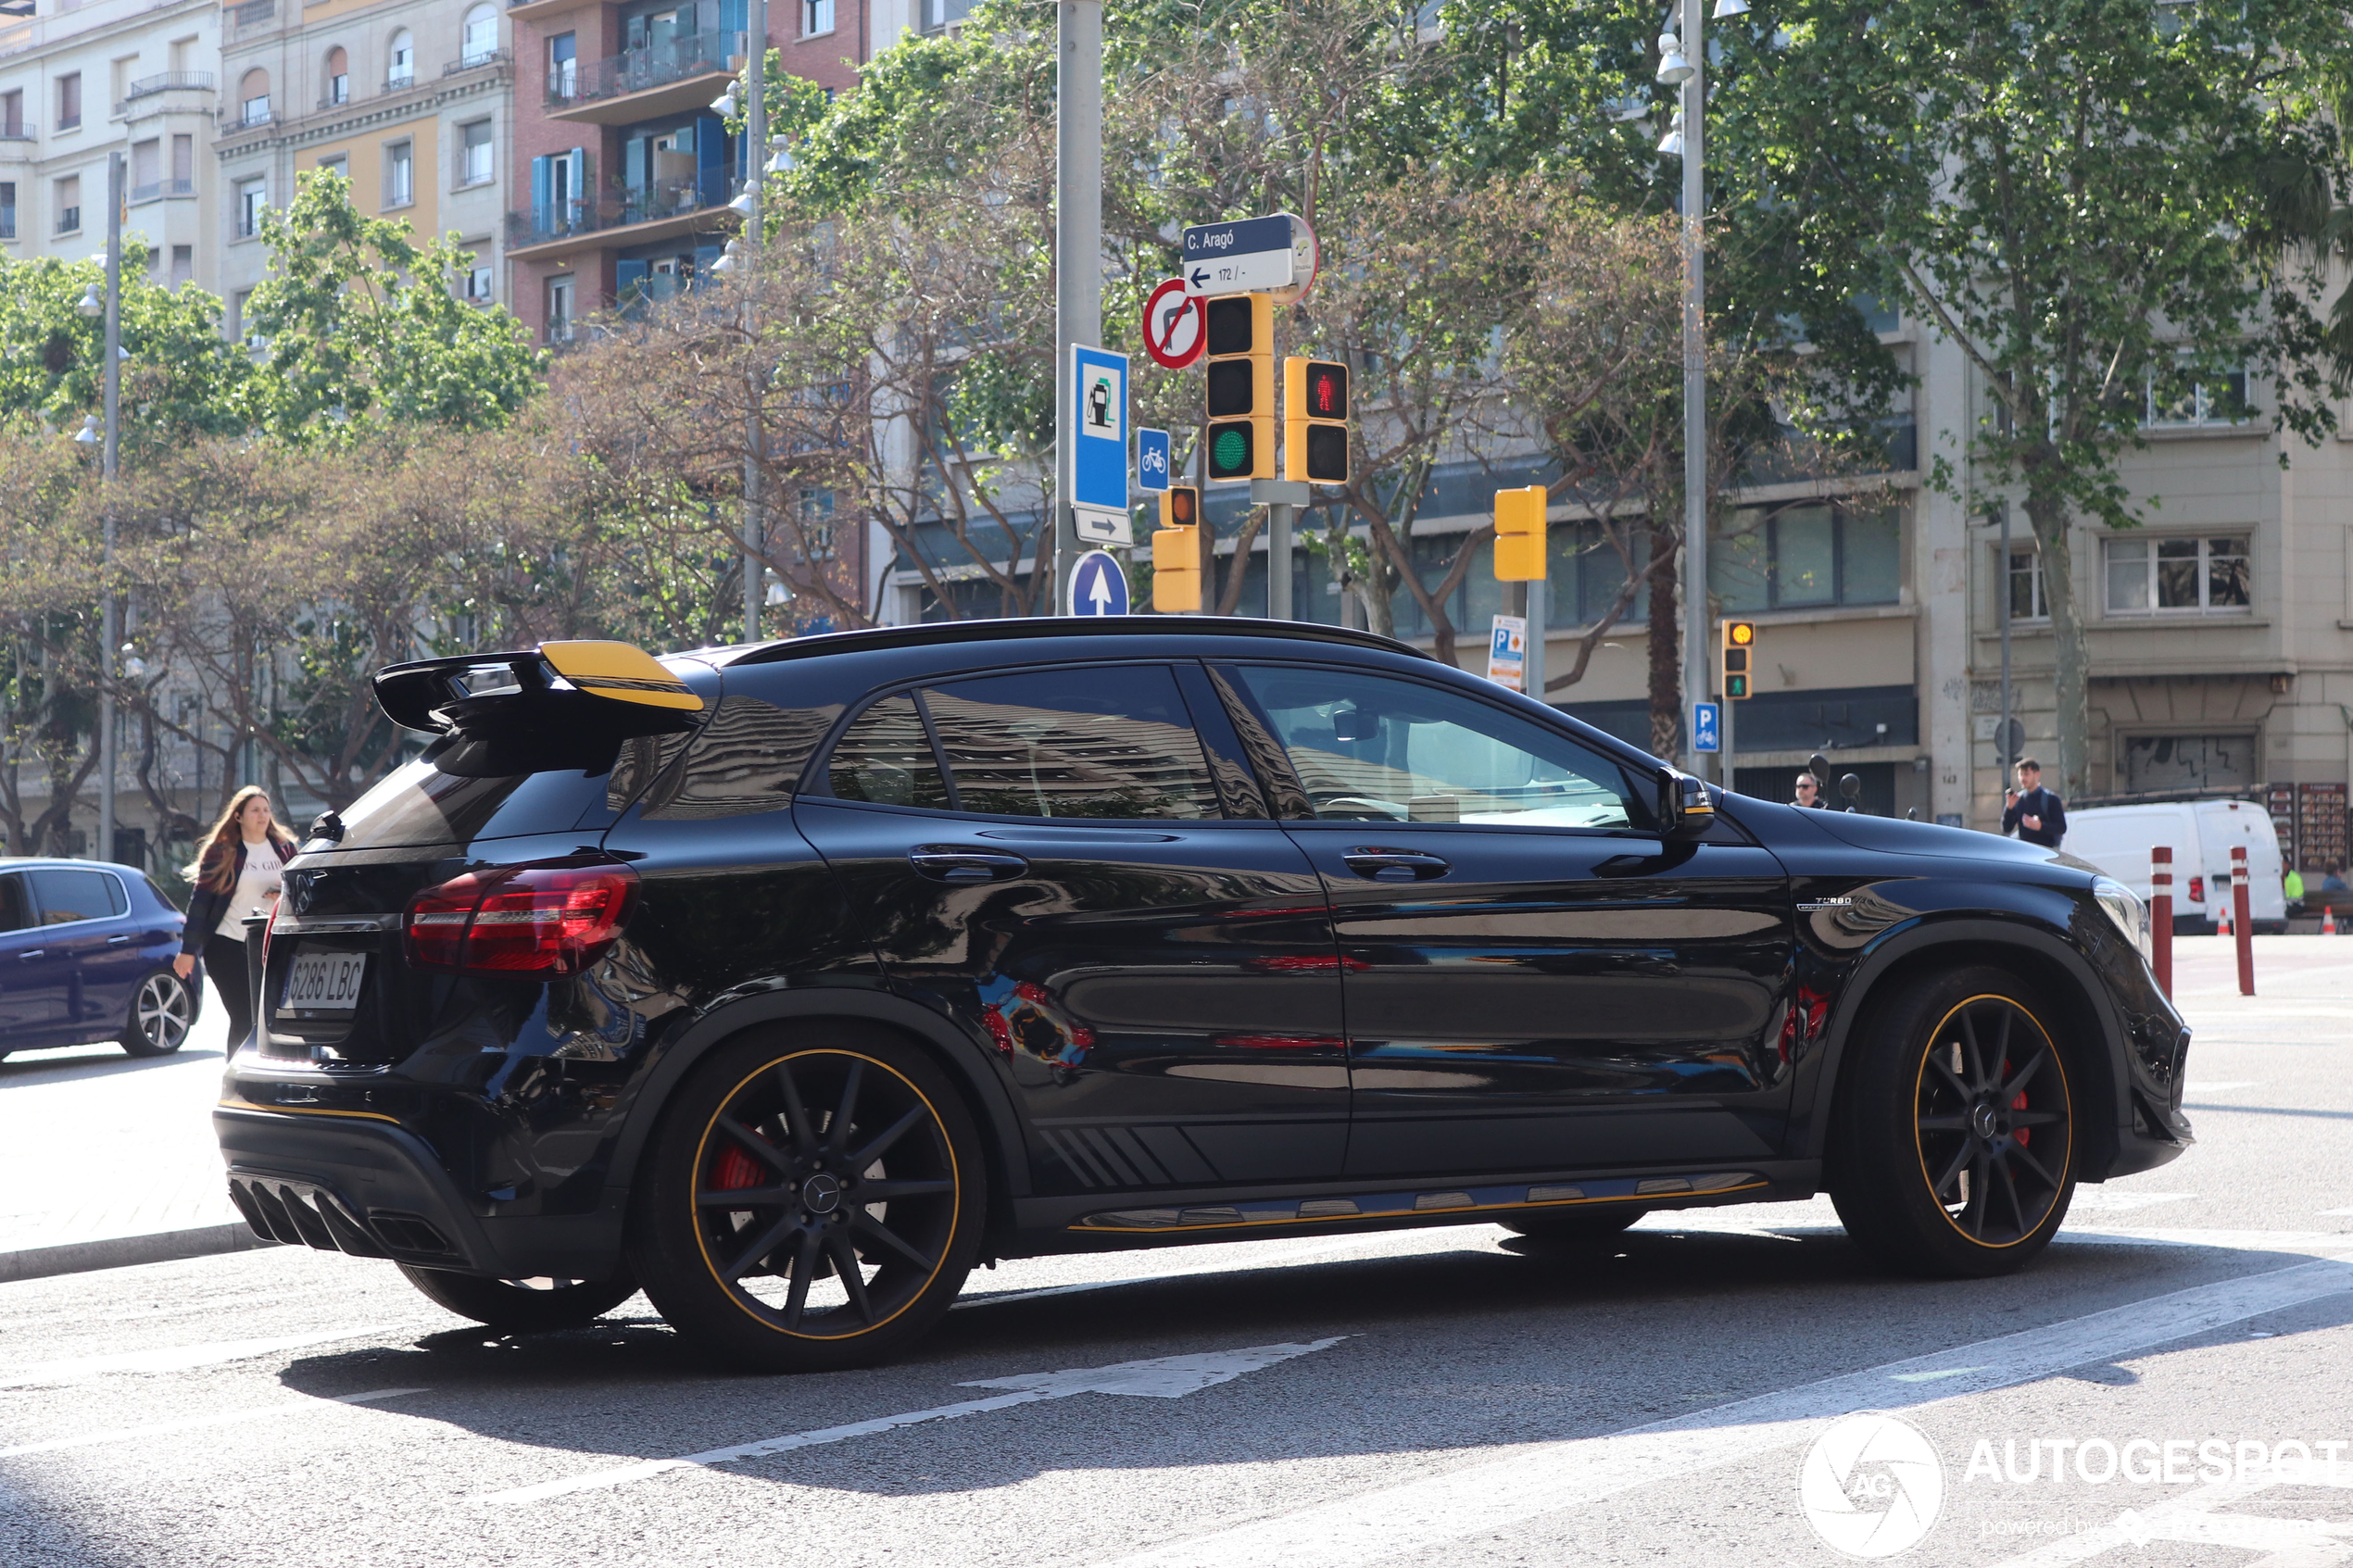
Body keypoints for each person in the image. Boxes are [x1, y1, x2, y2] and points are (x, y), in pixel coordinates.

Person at [171, 786, 296, 1054]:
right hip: (227, 946)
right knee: (244, 1017)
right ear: (238, 816)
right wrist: (188, 951)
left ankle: (270, 1080)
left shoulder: (285, 850)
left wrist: (282, 893)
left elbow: (300, 889)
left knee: (271, 1019)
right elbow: (200, 902)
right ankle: (239, 1081)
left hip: (272, 946)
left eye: (266, 810)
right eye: (255, 810)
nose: (262, 815)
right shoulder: (223, 852)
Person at [2001, 758, 2067, 848]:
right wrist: (2009, 808)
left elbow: (2061, 827)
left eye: (2027, 774)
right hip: (2025, 853)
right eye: (2020, 774)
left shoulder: (2051, 798)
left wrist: (2040, 826)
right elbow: (2006, 829)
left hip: (2046, 853)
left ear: (2037, 775)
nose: (2023, 778)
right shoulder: (2018, 799)